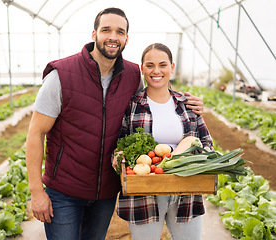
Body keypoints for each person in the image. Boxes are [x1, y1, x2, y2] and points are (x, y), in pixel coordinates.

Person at [25, 8, 204, 240]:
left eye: (120, 32)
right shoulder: (61, 75)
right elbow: (35, 133)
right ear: (94, 34)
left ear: (126, 39)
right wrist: (36, 191)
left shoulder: (131, 75)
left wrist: (189, 103)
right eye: (106, 30)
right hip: (65, 191)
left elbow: (157, 99)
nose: (113, 37)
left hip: (106, 193)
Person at [114, 43, 213, 240]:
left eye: (162, 64)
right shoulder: (132, 106)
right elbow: (119, 144)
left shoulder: (187, 104)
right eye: (149, 65)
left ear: (172, 67)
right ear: (142, 68)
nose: (156, 71)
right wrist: (118, 157)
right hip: (144, 192)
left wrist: (200, 158)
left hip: (186, 190)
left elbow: (206, 142)